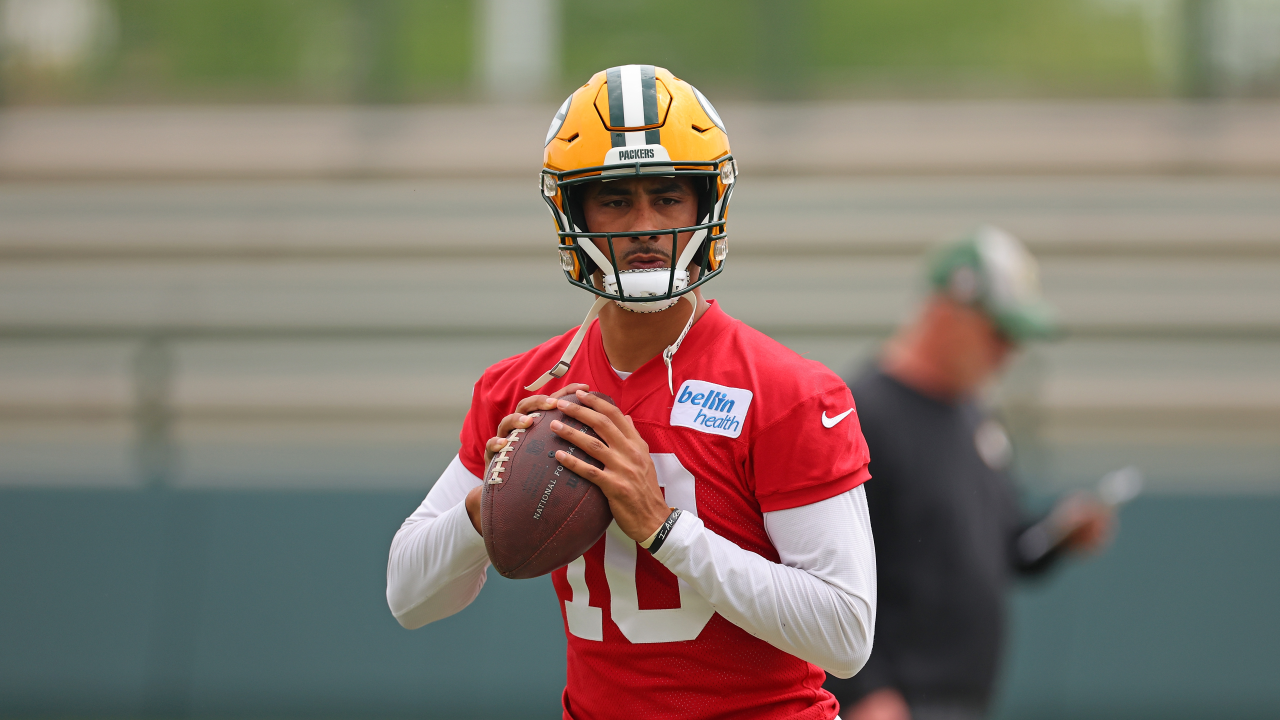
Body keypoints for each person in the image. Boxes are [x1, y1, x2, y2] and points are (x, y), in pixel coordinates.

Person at [386, 65, 877, 720]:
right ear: (573, 211)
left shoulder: (788, 393)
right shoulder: (525, 390)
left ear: (707, 205)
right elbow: (411, 598)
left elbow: (845, 636)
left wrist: (665, 529)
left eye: (669, 197)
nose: (645, 224)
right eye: (615, 199)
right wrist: (486, 506)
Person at [823, 226, 1114, 720]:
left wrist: (1056, 534)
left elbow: (1002, 545)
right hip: (897, 703)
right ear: (946, 313)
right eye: (999, 333)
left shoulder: (973, 417)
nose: (1009, 353)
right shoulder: (863, 415)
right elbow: (821, 567)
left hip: (966, 700)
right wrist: (864, 692)